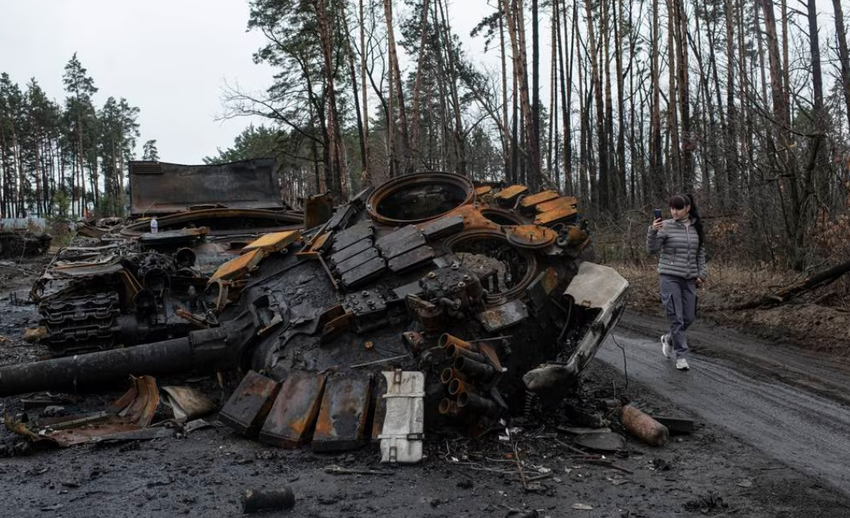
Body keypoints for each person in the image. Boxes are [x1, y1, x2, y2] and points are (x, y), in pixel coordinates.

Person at [646, 193, 707, 371]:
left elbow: (700, 254)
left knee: (689, 317)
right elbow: (652, 249)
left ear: (687, 208)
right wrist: (653, 230)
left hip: (689, 279)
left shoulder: (696, 228)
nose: (674, 212)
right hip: (669, 277)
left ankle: (669, 339)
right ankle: (681, 356)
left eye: (678, 208)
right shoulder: (665, 226)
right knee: (676, 318)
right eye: (672, 208)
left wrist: (701, 274)